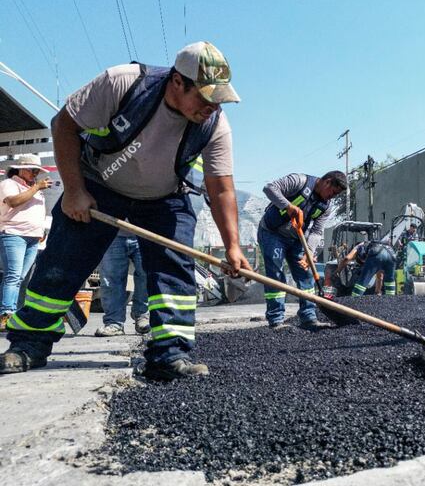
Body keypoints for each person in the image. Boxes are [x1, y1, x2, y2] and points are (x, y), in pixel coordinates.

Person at [0, 41, 250, 380]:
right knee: (61, 263)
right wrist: (74, 191)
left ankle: (169, 355)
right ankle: (28, 344)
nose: (213, 106)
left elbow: (221, 187)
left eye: (219, 99)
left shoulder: (214, 124)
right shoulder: (123, 83)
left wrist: (233, 246)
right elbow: (63, 125)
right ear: (178, 81)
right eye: (206, 97)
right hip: (99, 185)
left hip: (165, 197)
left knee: (174, 269)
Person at [258, 171, 346, 330]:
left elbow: (317, 231)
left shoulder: (326, 206)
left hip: (297, 239)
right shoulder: (299, 181)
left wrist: (309, 252)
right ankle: (276, 320)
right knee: (276, 275)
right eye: (332, 193)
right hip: (272, 233)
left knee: (306, 275)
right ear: (327, 182)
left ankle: (309, 318)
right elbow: (269, 188)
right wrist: (288, 206)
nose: (331, 197)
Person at [0, 155, 52, 330]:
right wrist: (36, 187)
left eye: (37, 170)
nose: (35, 173)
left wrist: (40, 229)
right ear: (20, 169)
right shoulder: (9, 184)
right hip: (14, 235)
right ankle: (6, 313)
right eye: (32, 170)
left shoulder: (34, 188)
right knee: (13, 276)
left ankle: (11, 312)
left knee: (20, 278)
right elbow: (13, 202)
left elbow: (35, 211)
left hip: (32, 237)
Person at [95, 227, 149, 336]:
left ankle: (142, 315)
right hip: (112, 232)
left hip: (145, 232)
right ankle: (114, 322)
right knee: (111, 280)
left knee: (146, 275)